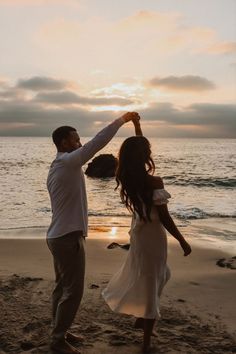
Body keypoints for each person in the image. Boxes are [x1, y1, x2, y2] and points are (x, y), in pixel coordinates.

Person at [46, 112, 140, 354]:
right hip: (67, 237)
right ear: (65, 143)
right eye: (76, 140)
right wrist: (122, 120)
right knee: (73, 291)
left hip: (58, 235)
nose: (80, 143)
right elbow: (98, 142)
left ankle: (59, 331)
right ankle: (57, 340)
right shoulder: (67, 162)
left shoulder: (59, 165)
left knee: (61, 287)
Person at [102, 119, 192, 353]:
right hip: (152, 235)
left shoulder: (129, 177)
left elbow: (138, 146)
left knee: (158, 274)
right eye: (147, 149)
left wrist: (137, 125)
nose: (151, 151)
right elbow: (165, 217)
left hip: (139, 232)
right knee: (153, 280)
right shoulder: (154, 181)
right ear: (143, 154)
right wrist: (182, 240)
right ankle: (146, 341)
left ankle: (141, 318)